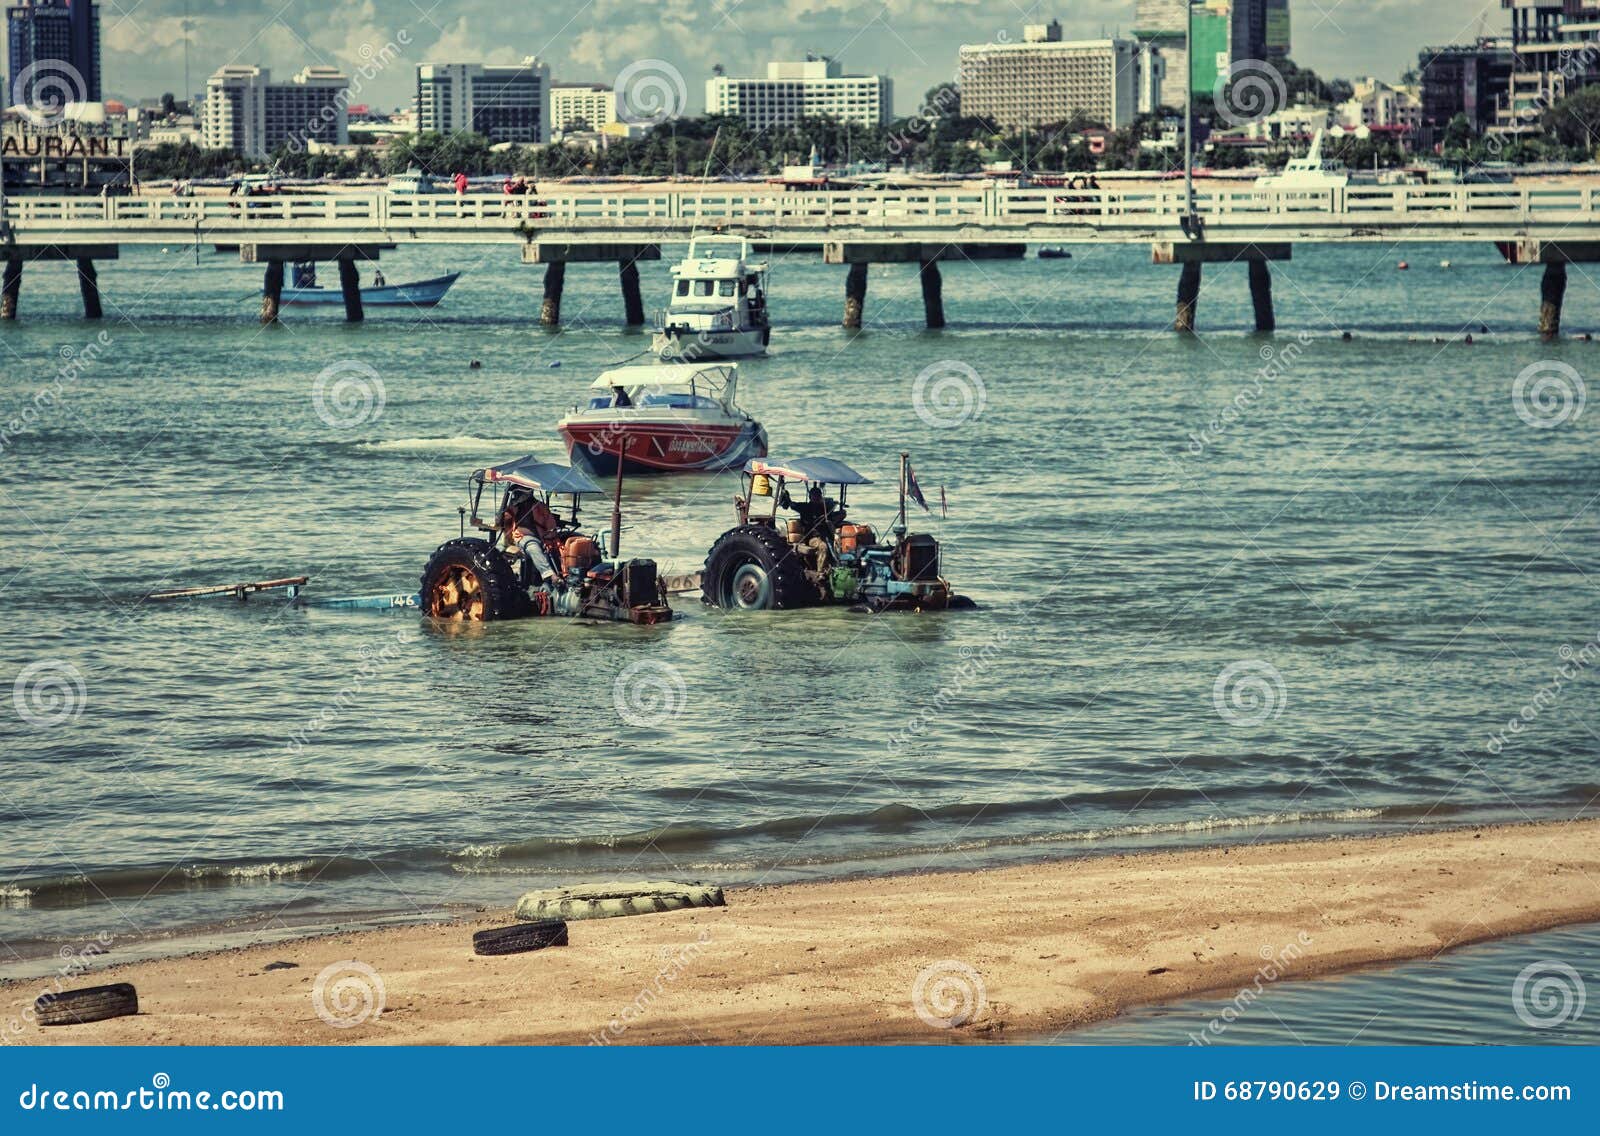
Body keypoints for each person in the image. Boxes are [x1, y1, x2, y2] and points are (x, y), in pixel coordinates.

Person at [501, 493, 562, 588]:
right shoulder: (514, 507)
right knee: (533, 547)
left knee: (560, 548)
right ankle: (550, 575)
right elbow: (502, 519)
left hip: (542, 537)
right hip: (522, 537)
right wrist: (509, 508)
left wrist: (550, 539)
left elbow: (551, 525)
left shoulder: (540, 506)